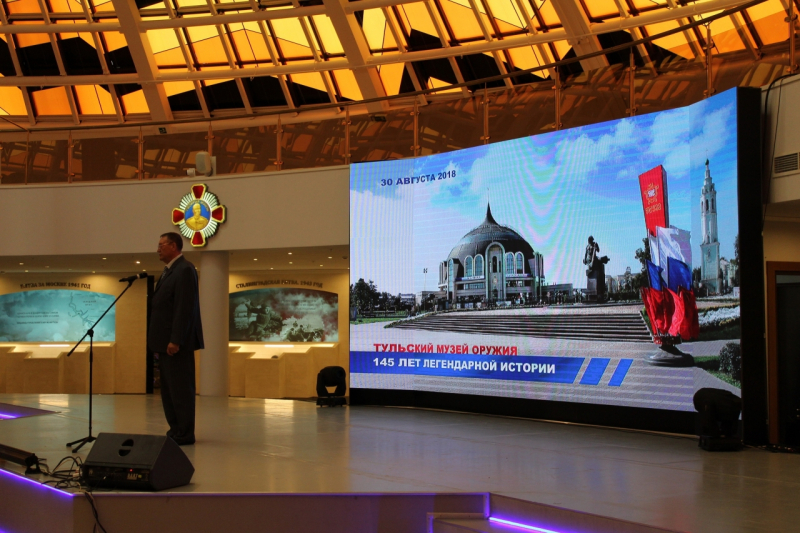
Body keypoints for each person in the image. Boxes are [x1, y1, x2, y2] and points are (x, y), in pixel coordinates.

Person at [148, 232, 204, 445]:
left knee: (180, 390)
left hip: (176, 344)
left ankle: (185, 433)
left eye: (161, 245)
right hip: (165, 343)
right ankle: (176, 429)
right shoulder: (169, 271)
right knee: (169, 391)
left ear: (173, 246)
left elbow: (184, 308)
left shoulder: (185, 269)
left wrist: (176, 339)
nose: (158, 249)